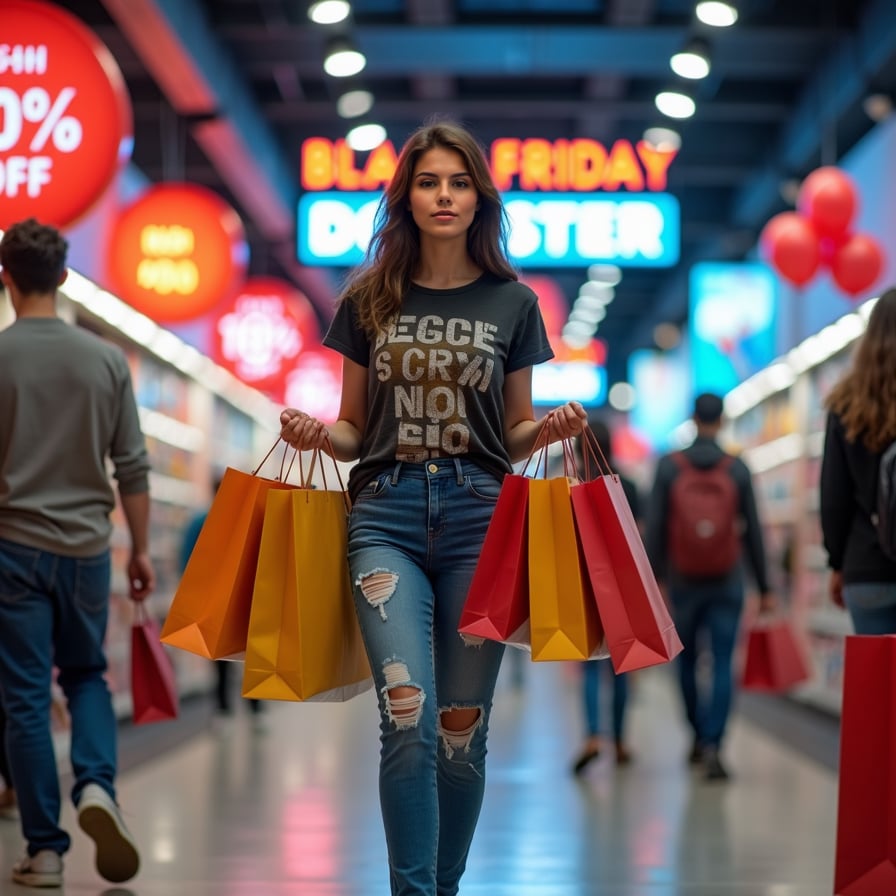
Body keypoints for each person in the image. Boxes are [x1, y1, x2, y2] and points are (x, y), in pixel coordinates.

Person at [279, 119, 587, 896]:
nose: (443, 195)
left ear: (479, 199)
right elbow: (353, 429)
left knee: (461, 731)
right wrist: (318, 434)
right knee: (407, 718)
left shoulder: (513, 303)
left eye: (458, 182)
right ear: (406, 198)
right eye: (427, 182)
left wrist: (548, 430)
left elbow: (513, 433)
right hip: (384, 517)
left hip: (481, 520)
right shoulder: (368, 299)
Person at [0, 219, 154, 888]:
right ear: (63, 277)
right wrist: (140, 550)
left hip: (12, 548)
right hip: (89, 549)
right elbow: (133, 467)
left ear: (6, 277)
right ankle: (96, 786)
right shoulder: (105, 361)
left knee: (26, 696)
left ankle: (45, 851)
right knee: (87, 676)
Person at [644, 392, 774, 781]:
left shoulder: (669, 466)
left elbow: (655, 528)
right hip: (727, 579)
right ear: (722, 421)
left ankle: (698, 734)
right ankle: (715, 743)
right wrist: (765, 586)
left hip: (683, 581)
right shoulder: (737, 467)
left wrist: (654, 581)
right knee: (721, 661)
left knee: (684, 661)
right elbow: (753, 529)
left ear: (692, 419)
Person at [820, 287, 896, 632]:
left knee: (874, 667)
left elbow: (834, 498)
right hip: (864, 567)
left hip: (866, 567)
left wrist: (837, 563)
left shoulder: (846, 404)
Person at [570, 417, 638, 774]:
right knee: (621, 664)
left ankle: (593, 737)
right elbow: (639, 539)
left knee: (589, 668)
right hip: (622, 587)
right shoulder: (627, 485)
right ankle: (621, 740)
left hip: (583, 585)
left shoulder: (571, 486)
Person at [179, 477, 263, 725]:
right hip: (242, 599)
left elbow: (187, 561)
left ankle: (226, 710)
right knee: (249, 655)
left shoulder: (201, 521)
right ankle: (253, 709)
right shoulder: (242, 519)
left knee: (222, 657)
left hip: (218, 600)